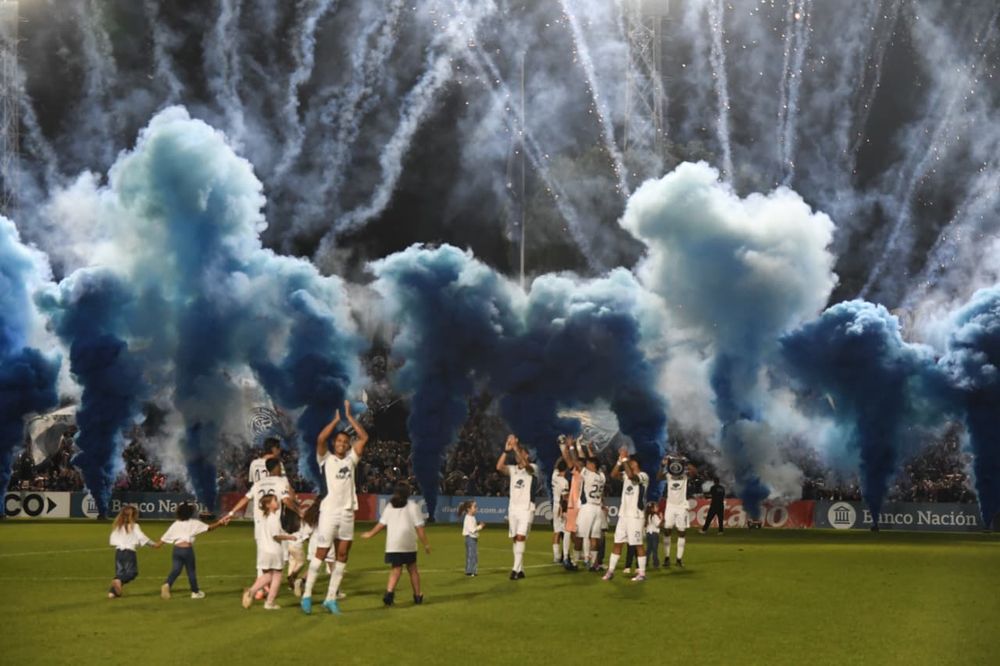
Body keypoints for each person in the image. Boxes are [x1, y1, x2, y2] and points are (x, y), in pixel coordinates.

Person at [301, 400, 369, 615]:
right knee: (321, 554)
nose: (341, 443)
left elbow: (364, 438)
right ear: (334, 444)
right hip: (329, 512)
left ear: (348, 445)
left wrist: (350, 418)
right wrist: (335, 421)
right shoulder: (325, 459)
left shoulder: (351, 460)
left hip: (348, 512)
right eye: (338, 441)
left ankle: (330, 598)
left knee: (342, 556)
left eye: (344, 441)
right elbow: (320, 438)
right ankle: (307, 595)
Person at [361, 482, 431, 606]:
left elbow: (381, 524)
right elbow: (419, 528)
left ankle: (389, 593)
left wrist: (370, 534)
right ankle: (417, 595)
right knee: (413, 569)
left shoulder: (390, 506)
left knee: (396, 569)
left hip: (393, 544)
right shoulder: (413, 506)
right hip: (408, 543)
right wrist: (426, 544)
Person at [157, 503, 227, 599]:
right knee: (191, 571)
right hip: (187, 550)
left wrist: (154, 545)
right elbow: (209, 528)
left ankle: (167, 584)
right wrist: (220, 523)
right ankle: (195, 592)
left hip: (177, 550)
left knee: (176, 569)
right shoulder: (194, 523)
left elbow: (162, 540)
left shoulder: (175, 524)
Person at [242, 496, 297, 610]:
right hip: (273, 550)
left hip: (263, 550)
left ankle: (251, 592)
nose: (277, 503)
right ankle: (270, 602)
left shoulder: (262, 517)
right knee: (277, 576)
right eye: (274, 501)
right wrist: (290, 537)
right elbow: (276, 535)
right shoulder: (273, 518)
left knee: (268, 575)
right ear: (268, 505)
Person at [603, 448, 649, 582]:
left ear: (636, 464)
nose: (629, 463)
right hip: (623, 515)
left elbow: (631, 477)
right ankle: (610, 571)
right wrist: (619, 460)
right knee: (617, 543)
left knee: (638, 544)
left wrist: (624, 459)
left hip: (636, 516)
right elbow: (612, 475)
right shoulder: (625, 475)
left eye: (631, 462)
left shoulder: (643, 476)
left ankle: (642, 573)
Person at [561, 438, 605, 571]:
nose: (587, 465)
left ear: (592, 467)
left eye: (589, 464)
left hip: (587, 508)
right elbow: (594, 462)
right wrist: (590, 451)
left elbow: (576, 462)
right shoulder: (601, 476)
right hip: (598, 509)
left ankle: (575, 561)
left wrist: (572, 447)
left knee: (580, 535)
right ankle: (593, 564)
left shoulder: (588, 474)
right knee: (594, 537)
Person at [496, 434, 536, 580]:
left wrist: (515, 447)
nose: (519, 455)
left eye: (523, 453)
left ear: (527, 455)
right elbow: (499, 467)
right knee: (515, 539)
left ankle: (514, 569)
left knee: (520, 537)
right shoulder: (513, 469)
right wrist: (506, 451)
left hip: (526, 508)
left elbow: (527, 466)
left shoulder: (533, 469)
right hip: (513, 508)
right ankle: (520, 569)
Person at [107, 505, 160, 598]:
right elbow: (142, 537)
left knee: (120, 574)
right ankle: (117, 583)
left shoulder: (118, 526)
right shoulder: (135, 526)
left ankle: (112, 593)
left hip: (118, 552)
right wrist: (154, 544)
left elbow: (112, 540)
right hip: (129, 552)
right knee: (132, 573)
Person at [658, 455, 691, 568]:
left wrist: (685, 462)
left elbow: (694, 472)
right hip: (670, 506)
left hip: (682, 506)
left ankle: (679, 559)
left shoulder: (684, 475)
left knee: (681, 532)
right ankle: (667, 558)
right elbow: (658, 477)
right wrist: (663, 465)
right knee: (667, 531)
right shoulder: (669, 474)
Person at [551, 459, 570, 564]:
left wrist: (561, 457)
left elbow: (555, 466)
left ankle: (556, 556)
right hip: (560, 507)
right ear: (566, 469)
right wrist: (564, 510)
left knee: (556, 531)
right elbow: (565, 497)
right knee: (565, 531)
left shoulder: (554, 476)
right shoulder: (564, 482)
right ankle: (566, 555)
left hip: (554, 505)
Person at [459, 500, 484, 576]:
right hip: (470, 539)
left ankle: (470, 570)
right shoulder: (468, 518)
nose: (476, 508)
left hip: (472, 538)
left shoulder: (472, 517)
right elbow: (472, 530)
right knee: (472, 555)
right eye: (474, 507)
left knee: (472, 555)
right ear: (469, 509)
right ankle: (471, 571)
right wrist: (480, 526)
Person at [645, 502, 662, 568]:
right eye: (656, 507)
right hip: (654, 534)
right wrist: (662, 518)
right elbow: (658, 525)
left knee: (648, 549)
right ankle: (656, 563)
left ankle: (645, 562)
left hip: (648, 534)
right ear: (652, 509)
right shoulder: (655, 516)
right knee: (655, 549)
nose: (657, 508)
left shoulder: (648, 516)